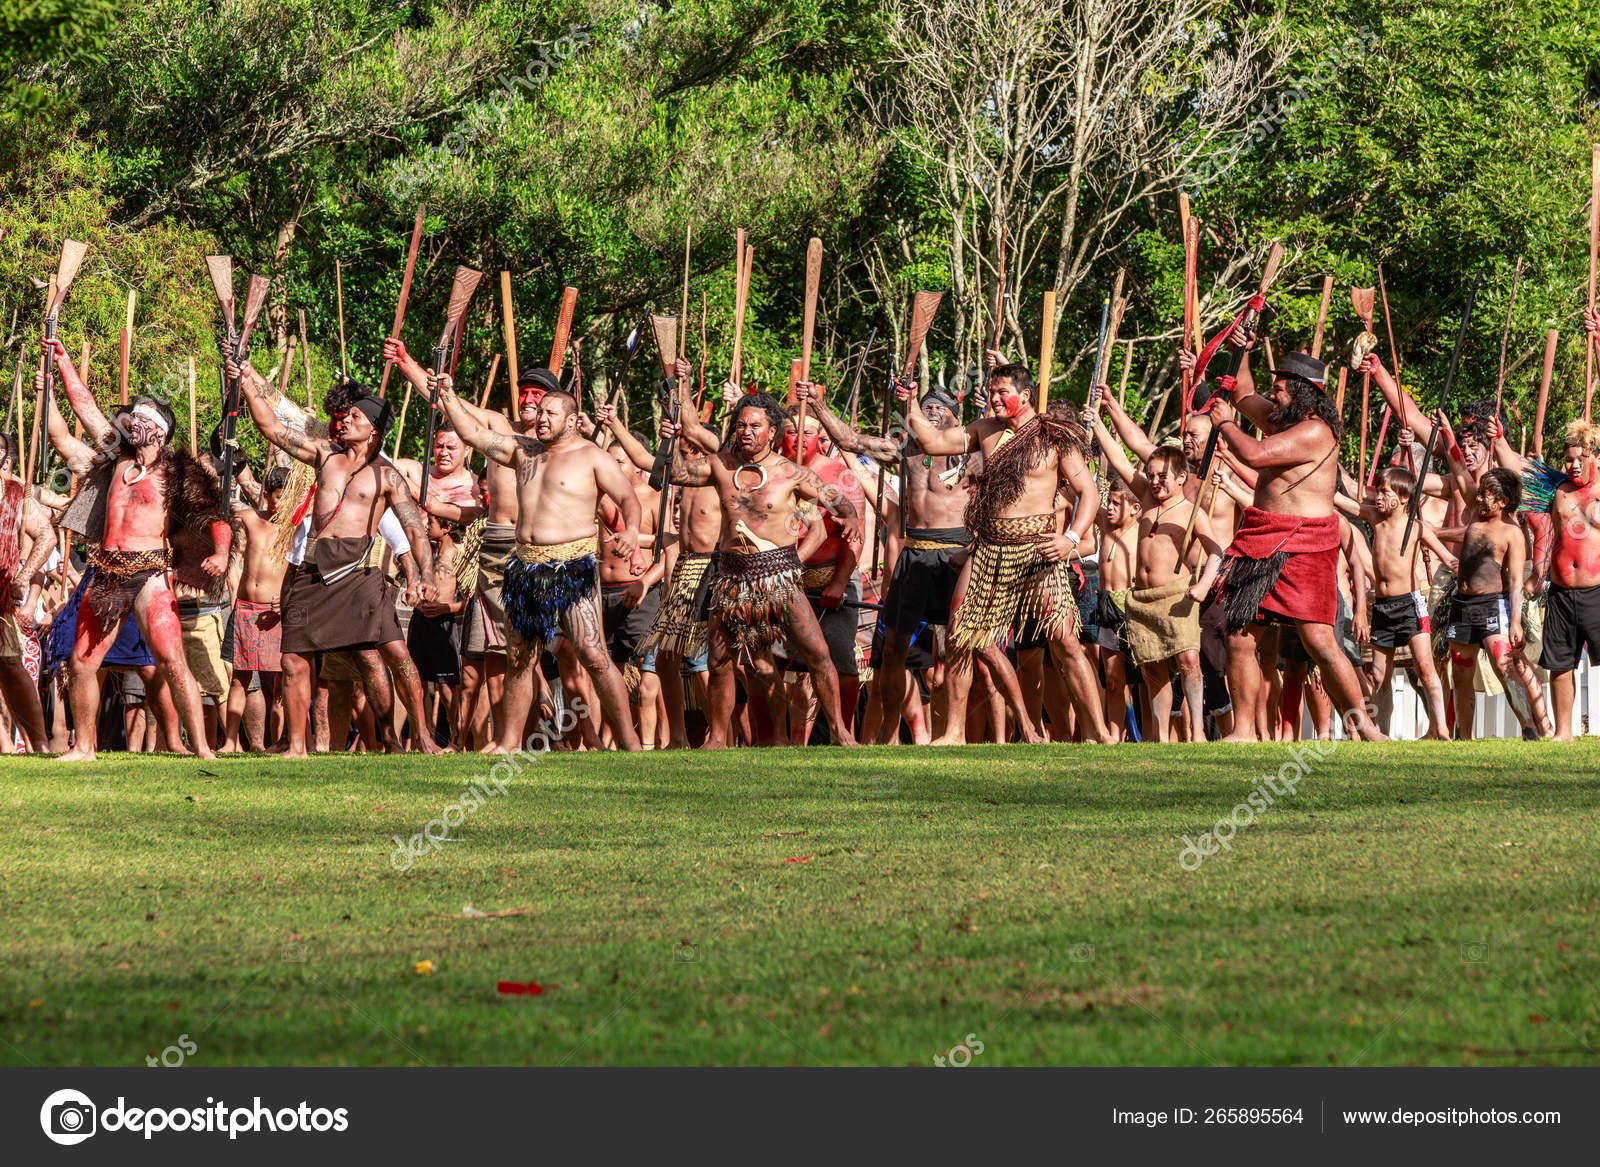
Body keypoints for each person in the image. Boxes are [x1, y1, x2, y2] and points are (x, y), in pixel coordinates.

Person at [230, 355, 442, 757]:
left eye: (355, 417)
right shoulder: (325, 455)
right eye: (344, 416)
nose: (343, 421)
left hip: (359, 576)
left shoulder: (387, 475)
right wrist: (245, 380)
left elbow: (414, 527)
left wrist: (422, 576)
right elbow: (270, 428)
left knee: (393, 654)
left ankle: (421, 738)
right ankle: (296, 745)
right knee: (293, 659)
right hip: (312, 571)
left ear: (374, 429)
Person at [429, 372, 646, 752]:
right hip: (524, 570)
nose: (541, 417)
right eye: (540, 412)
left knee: (593, 655)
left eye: (550, 412)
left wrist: (630, 532)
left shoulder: (591, 457)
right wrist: (447, 397)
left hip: (572, 569)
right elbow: (477, 436)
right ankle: (510, 741)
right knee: (519, 656)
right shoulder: (523, 452)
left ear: (572, 420)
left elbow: (628, 498)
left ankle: (628, 740)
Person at [902, 363, 1112, 744]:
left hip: (1038, 550)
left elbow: (1090, 493)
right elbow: (933, 442)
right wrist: (911, 401)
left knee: (1064, 641)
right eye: (991, 391)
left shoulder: (1054, 436)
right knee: (961, 635)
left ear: (1025, 395)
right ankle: (952, 732)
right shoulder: (984, 430)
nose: (995, 398)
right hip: (989, 550)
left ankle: (1098, 732)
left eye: (1002, 392)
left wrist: (1071, 537)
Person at [40, 349, 230, 761]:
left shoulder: (177, 473)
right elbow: (83, 408)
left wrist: (220, 552)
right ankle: (85, 748)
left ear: (159, 432)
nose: (131, 424)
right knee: (82, 663)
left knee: (172, 660)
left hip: (150, 576)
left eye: (142, 419)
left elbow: (215, 517)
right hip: (106, 573)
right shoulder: (114, 458)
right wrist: (59, 365)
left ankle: (201, 748)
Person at [1198, 346, 1385, 741]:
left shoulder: (1316, 431)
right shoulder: (1283, 422)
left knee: (1319, 641)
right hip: (1260, 539)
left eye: (1280, 387)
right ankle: (1245, 729)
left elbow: (1254, 454)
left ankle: (1364, 727)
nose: (1274, 391)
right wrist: (1242, 348)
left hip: (1305, 544)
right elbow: (1244, 393)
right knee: (1239, 633)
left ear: (1303, 391)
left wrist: (1227, 424)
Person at [671, 390, 862, 747]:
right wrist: (670, 438)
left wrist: (849, 517)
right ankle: (715, 738)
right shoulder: (720, 465)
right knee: (719, 660)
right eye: (741, 424)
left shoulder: (791, 473)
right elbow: (672, 474)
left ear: (771, 432)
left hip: (780, 576)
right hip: (731, 576)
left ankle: (840, 731)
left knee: (817, 653)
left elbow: (833, 498)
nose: (746, 431)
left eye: (755, 425)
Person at [796, 381, 971, 743]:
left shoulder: (973, 451)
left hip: (956, 552)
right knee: (893, 649)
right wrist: (818, 404)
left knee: (959, 647)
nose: (934, 412)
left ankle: (956, 730)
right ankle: (890, 730)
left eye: (941, 407)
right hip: (915, 555)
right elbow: (850, 441)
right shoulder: (903, 450)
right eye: (927, 407)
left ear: (957, 415)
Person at [1086, 403, 1220, 741]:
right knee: (1152, 669)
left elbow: (1217, 552)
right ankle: (1160, 735)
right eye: (1152, 473)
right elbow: (1118, 458)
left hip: (1177, 596)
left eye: (1163, 476)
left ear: (1180, 478)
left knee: (1189, 659)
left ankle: (1197, 733)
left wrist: (1204, 585)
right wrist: (1098, 425)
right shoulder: (1145, 498)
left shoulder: (1191, 511)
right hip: (1141, 599)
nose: (1156, 480)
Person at [1435, 468, 1552, 739]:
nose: (1480, 499)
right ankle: (1464, 736)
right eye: (1481, 492)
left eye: (1488, 495)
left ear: (1503, 501)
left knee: (1505, 667)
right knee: (1461, 675)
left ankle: (1529, 727)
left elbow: (1514, 583)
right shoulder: (1476, 520)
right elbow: (1467, 534)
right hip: (1461, 605)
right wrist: (1436, 533)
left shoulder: (1512, 533)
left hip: (1493, 606)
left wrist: (1514, 623)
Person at [1337, 467, 1454, 738]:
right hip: (1382, 606)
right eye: (1378, 491)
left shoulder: (1416, 527)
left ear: (1403, 498)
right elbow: (1342, 501)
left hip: (1411, 604)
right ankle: (1380, 731)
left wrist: (1462, 567)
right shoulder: (1374, 518)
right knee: (1377, 675)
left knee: (1425, 669)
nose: (1378, 497)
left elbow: (1447, 558)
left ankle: (1442, 729)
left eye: (1385, 492)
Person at [1536, 419, 1600, 740]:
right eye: (1569, 459)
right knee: (1560, 664)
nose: (1574, 465)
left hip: (1597, 591)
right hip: (1561, 592)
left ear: (1597, 458)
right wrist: (1499, 438)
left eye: (1582, 458)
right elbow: (1515, 466)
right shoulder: (1558, 490)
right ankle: (1564, 732)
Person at [222, 465, 290, 752]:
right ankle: (230, 742)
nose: (281, 503)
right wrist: (228, 465)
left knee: (278, 688)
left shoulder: (295, 529)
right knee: (239, 679)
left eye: (286, 497)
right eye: (276, 496)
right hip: (246, 610)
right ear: (266, 494)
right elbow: (222, 508)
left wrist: (286, 601)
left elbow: (299, 572)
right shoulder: (251, 518)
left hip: (275, 614)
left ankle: (279, 742)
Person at [0, 435, 57, 751]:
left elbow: (47, 537)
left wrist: (23, 577)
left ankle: (39, 743)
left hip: (1, 596)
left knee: (10, 668)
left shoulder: (14, 496)